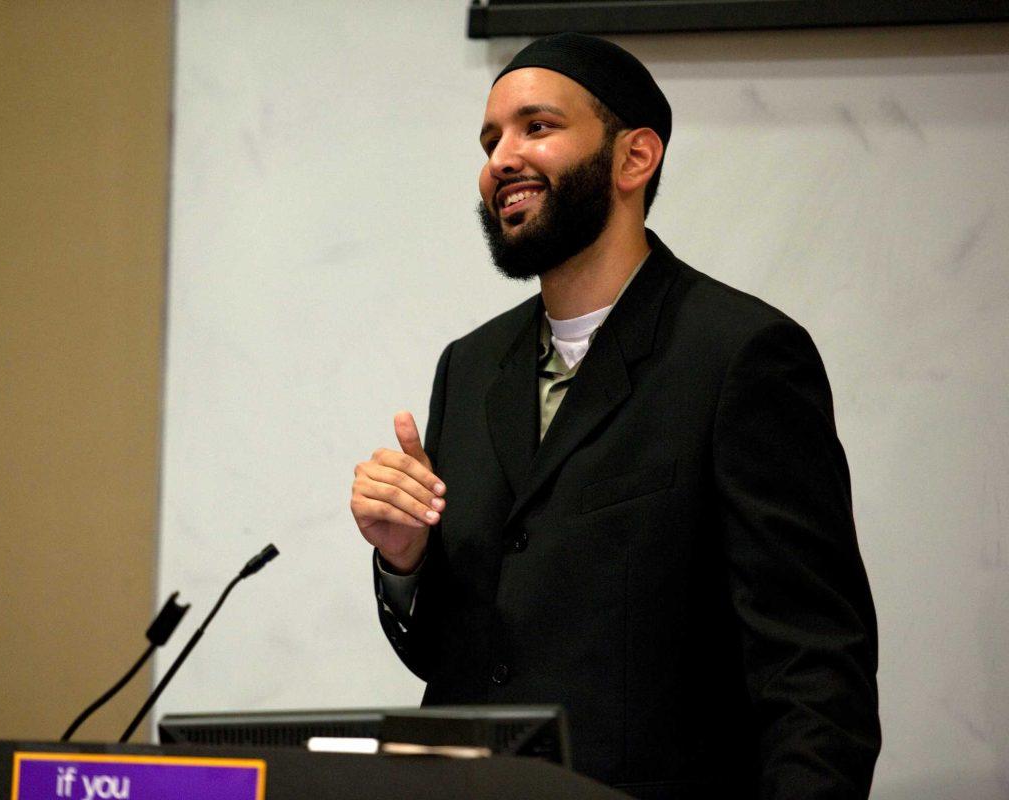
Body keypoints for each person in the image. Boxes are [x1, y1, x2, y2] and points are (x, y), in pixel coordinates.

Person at [349, 33, 879, 799]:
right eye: (491, 139)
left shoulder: (741, 356)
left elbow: (814, 673)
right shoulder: (470, 368)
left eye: (536, 127)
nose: (500, 159)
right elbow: (462, 659)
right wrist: (405, 562)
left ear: (635, 158)